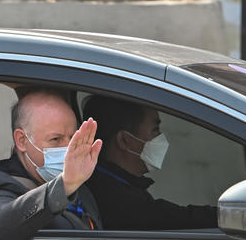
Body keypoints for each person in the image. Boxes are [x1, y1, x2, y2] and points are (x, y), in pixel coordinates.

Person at [0, 88, 103, 240]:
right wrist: (64, 185)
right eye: (56, 139)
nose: (68, 148)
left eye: (72, 137)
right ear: (22, 140)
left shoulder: (80, 183)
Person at [82, 95, 217, 230]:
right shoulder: (120, 202)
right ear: (124, 141)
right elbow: (176, 218)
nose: (161, 138)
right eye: (155, 130)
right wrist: (231, 215)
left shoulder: (108, 183)